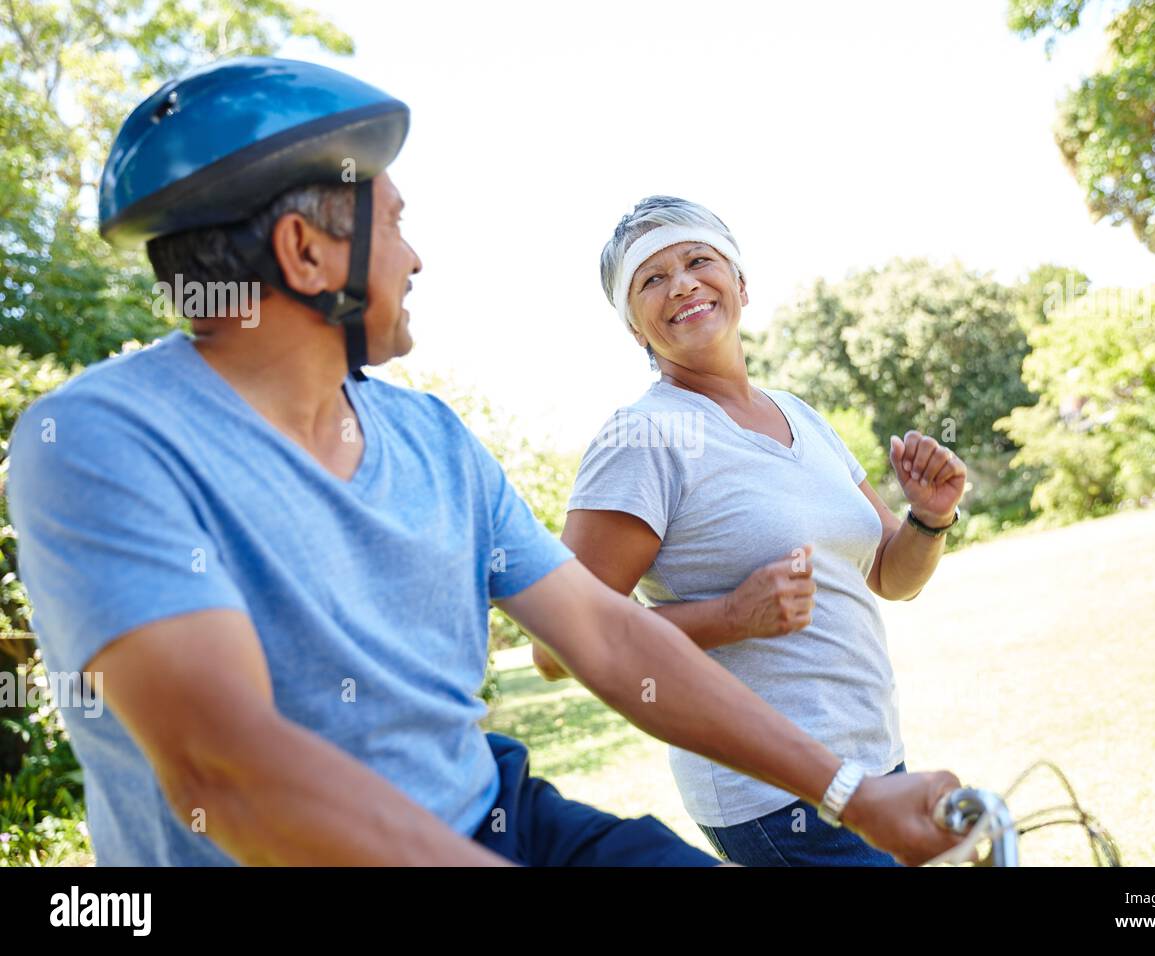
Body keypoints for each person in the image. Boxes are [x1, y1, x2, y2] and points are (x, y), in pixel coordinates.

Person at [5, 59, 964, 867]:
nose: (417, 259)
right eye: (396, 221)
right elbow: (226, 771)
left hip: (497, 818)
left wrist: (851, 793)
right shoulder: (102, 443)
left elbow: (606, 637)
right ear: (304, 251)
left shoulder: (434, 439)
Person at [533, 196, 968, 866]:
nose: (681, 282)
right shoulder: (642, 437)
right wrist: (730, 616)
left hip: (875, 760)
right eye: (651, 279)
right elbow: (557, 647)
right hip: (772, 795)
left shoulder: (798, 413)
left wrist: (929, 515)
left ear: (740, 283)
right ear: (634, 328)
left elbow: (891, 575)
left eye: (698, 260)